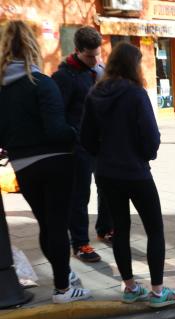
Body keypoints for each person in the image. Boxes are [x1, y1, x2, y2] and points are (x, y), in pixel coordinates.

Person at [81, 42, 175, 308]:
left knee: (120, 229)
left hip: (106, 173)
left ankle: (129, 287)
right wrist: (145, 155)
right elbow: (151, 137)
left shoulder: (95, 94)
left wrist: (103, 155)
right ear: (133, 65)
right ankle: (158, 292)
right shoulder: (136, 94)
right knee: (155, 230)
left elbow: (87, 140)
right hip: (135, 172)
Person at [0, 21, 91, 303]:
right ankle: (63, 288)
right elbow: (56, 129)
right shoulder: (41, 82)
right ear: (32, 47)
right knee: (57, 225)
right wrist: (75, 133)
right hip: (55, 162)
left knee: (45, 224)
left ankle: (62, 276)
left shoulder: (3, 90)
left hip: (23, 165)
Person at [52, 26, 113, 263]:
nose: (95, 59)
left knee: (107, 187)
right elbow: (58, 114)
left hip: (102, 143)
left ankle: (105, 228)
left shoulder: (100, 70)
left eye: (98, 54)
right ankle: (80, 243)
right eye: (89, 55)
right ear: (77, 51)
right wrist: (73, 137)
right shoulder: (63, 77)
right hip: (78, 146)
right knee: (79, 194)